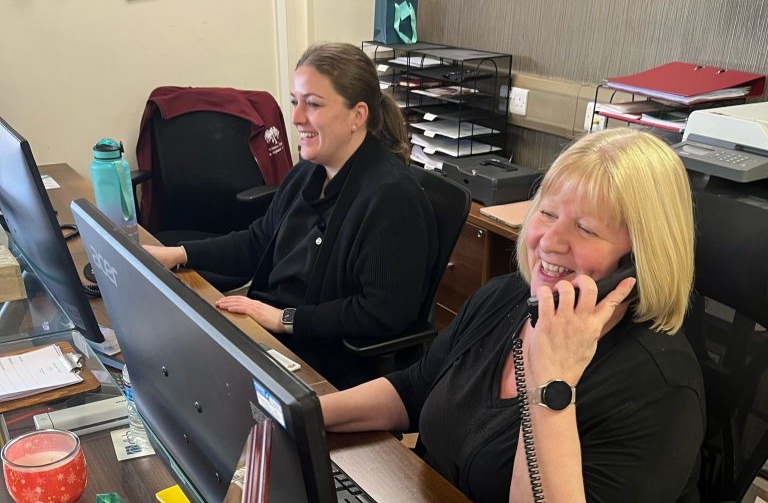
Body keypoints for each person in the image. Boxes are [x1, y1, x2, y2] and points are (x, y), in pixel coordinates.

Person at [320, 128, 705, 502]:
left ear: (638, 260)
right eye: (548, 213)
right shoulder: (506, 298)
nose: (550, 241)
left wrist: (552, 379)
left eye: (586, 229)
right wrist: (302, 413)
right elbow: (414, 389)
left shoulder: (661, 392)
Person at [144, 42, 437, 388]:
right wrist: (179, 254)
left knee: (181, 378)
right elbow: (258, 242)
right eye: (295, 101)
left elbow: (380, 312)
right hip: (270, 332)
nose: (296, 117)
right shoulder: (309, 172)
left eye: (312, 104)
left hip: (321, 361)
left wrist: (285, 319)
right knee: (161, 351)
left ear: (358, 116)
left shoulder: (391, 198)